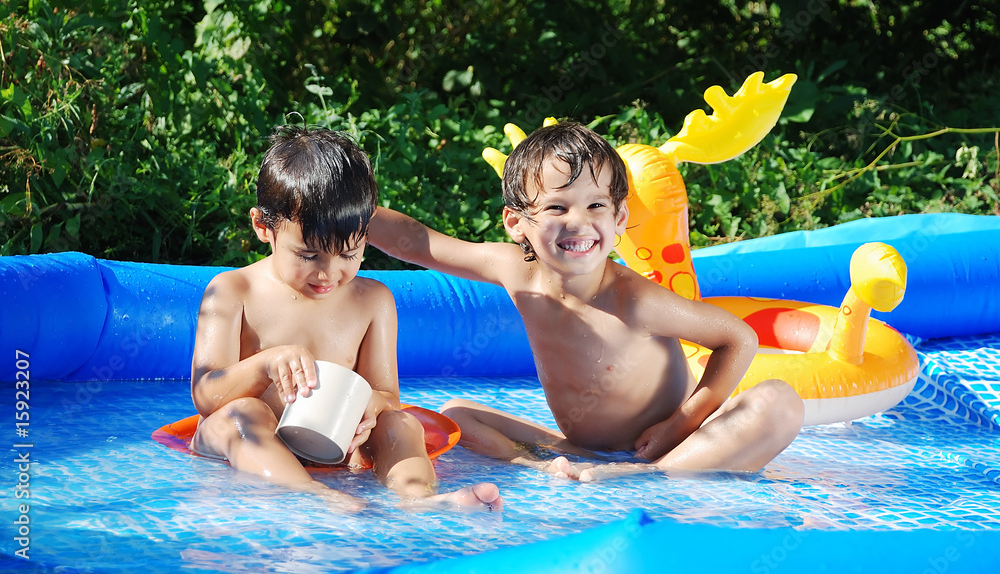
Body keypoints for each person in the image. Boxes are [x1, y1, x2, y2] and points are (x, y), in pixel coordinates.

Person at [368, 121, 804, 481]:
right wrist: (343, 209)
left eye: (596, 205)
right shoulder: (515, 270)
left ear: (618, 220)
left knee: (778, 402)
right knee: (456, 412)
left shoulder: (633, 300)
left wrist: (681, 423)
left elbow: (739, 338)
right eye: (557, 208)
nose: (578, 222)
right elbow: (418, 244)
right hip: (582, 452)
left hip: (677, 447)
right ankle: (543, 467)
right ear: (517, 222)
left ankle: (649, 480)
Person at [189, 126, 502, 510]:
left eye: (349, 254)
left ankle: (418, 499)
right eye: (308, 256)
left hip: (331, 444)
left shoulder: (372, 301)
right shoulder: (234, 291)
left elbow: (388, 396)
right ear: (262, 226)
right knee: (242, 413)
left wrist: (370, 408)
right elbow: (206, 396)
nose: (328, 273)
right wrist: (265, 365)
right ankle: (314, 495)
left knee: (401, 424)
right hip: (240, 439)